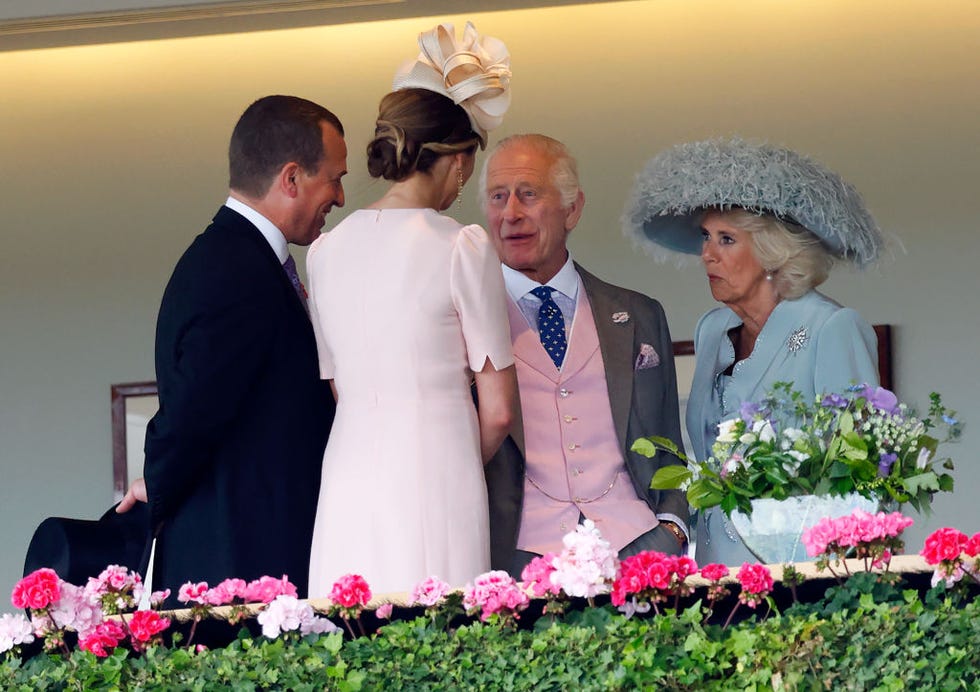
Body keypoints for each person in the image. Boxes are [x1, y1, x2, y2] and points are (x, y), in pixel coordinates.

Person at [305, 22, 518, 597]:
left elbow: (340, 387)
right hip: (438, 468)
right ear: (459, 161)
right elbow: (498, 411)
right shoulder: (460, 245)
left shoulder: (324, 253)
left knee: (352, 632)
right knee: (440, 639)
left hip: (347, 470)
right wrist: (450, 461)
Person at [116, 95, 346, 600]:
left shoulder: (240, 259)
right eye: (334, 177)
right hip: (236, 569)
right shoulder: (233, 269)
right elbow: (194, 413)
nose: (341, 196)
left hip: (255, 553)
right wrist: (158, 483)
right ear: (291, 178)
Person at [622, 137, 884, 565]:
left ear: (770, 252)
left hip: (799, 572)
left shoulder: (829, 328)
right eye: (705, 237)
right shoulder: (712, 330)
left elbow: (864, 475)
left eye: (726, 239)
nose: (707, 254)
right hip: (714, 568)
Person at [480, 134, 690, 578]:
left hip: (639, 549)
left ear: (572, 208)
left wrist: (671, 527)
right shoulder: (463, 321)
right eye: (498, 197)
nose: (511, 213)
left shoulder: (639, 313)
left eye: (529, 194)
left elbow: (669, 442)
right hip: (516, 560)